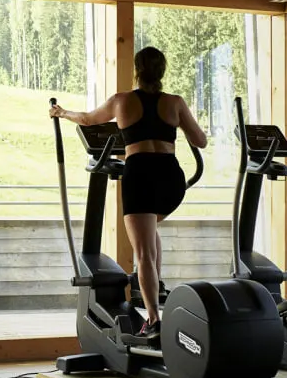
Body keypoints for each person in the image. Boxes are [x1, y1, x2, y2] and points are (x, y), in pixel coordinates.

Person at [49, 46, 207, 341]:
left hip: (141, 175)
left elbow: (87, 119)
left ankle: (154, 319)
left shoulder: (121, 101)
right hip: (172, 178)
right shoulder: (175, 102)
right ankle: (155, 289)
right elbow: (200, 140)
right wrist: (177, 124)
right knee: (150, 233)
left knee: (143, 253)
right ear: (162, 71)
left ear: (137, 70)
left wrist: (61, 112)